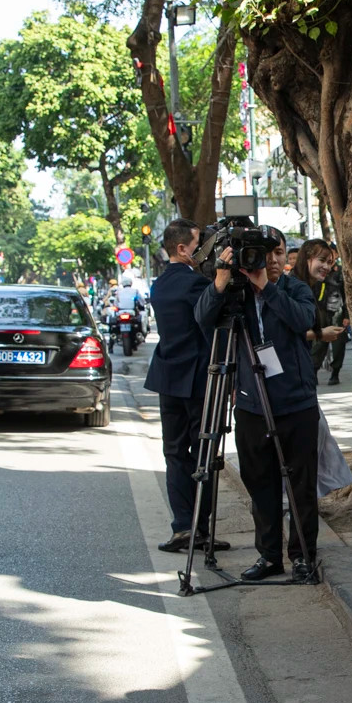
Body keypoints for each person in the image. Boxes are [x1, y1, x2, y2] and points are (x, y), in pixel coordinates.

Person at [195, 227, 321, 583]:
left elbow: (303, 320)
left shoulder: (294, 288)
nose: (271, 261)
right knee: (260, 482)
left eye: (278, 253)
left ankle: (302, 556)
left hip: (296, 402)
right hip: (251, 404)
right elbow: (201, 319)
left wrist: (266, 286)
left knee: (301, 485)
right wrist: (220, 280)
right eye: (264, 255)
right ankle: (269, 555)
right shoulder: (235, 294)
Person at [146, 219, 227, 555]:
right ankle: (199, 528)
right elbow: (213, 320)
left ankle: (183, 526)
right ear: (182, 249)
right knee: (203, 455)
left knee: (175, 454)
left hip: (168, 378)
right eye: (199, 243)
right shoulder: (194, 284)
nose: (204, 250)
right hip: (197, 380)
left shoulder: (160, 284)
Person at [299, 239, 350, 383]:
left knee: (338, 345)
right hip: (320, 312)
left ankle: (335, 373)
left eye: (330, 260)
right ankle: (313, 371)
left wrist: (346, 315)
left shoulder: (339, 273)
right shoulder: (299, 284)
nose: (326, 265)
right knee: (319, 345)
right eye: (322, 259)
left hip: (336, 312)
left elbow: (347, 295)